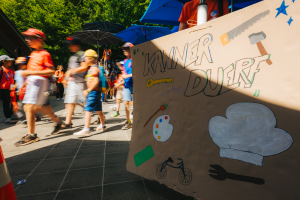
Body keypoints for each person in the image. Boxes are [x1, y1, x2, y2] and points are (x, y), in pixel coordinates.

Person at [14, 28, 64, 146]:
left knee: (30, 107)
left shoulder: (44, 54)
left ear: (39, 39)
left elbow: (51, 71)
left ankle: (31, 135)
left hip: (39, 82)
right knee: (31, 107)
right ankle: (58, 122)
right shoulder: (33, 54)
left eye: (30, 38)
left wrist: (30, 73)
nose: (27, 40)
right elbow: (32, 72)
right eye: (27, 38)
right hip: (34, 82)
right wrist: (26, 83)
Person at [73, 49, 107, 136]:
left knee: (87, 109)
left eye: (86, 58)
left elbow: (95, 82)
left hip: (93, 92)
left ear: (90, 59)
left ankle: (86, 129)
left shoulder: (94, 69)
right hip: (95, 92)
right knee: (99, 110)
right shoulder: (92, 68)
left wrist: (88, 90)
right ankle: (102, 125)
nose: (84, 60)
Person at [63, 36, 87, 127]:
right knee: (70, 101)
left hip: (82, 82)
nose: (69, 47)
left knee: (87, 102)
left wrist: (72, 71)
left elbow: (84, 67)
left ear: (77, 45)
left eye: (70, 45)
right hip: (73, 82)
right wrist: (65, 79)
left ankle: (100, 117)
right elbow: (69, 69)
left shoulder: (82, 54)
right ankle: (68, 122)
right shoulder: (72, 57)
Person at [120, 43, 134, 130]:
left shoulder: (135, 60)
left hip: (135, 83)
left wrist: (127, 76)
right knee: (126, 103)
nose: (124, 51)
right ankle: (128, 121)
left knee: (136, 103)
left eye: (126, 49)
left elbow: (138, 73)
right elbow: (124, 72)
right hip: (126, 84)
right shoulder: (125, 61)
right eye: (124, 49)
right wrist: (121, 80)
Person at [0, 55, 15, 122]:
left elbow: (14, 78)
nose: (10, 62)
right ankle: (8, 117)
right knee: (6, 103)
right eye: (9, 61)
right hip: (4, 89)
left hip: (12, 88)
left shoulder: (12, 69)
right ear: (4, 61)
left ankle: (12, 115)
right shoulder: (1, 69)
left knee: (13, 102)